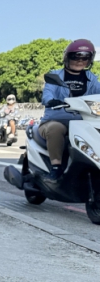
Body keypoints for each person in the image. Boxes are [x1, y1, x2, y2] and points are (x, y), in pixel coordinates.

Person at [38, 39, 100, 180]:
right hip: (55, 120)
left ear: (90, 60)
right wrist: (51, 100)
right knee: (56, 128)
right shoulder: (55, 76)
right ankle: (56, 166)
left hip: (82, 121)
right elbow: (47, 93)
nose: (80, 61)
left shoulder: (91, 78)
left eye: (85, 57)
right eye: (75, 57)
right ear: (67, 57)